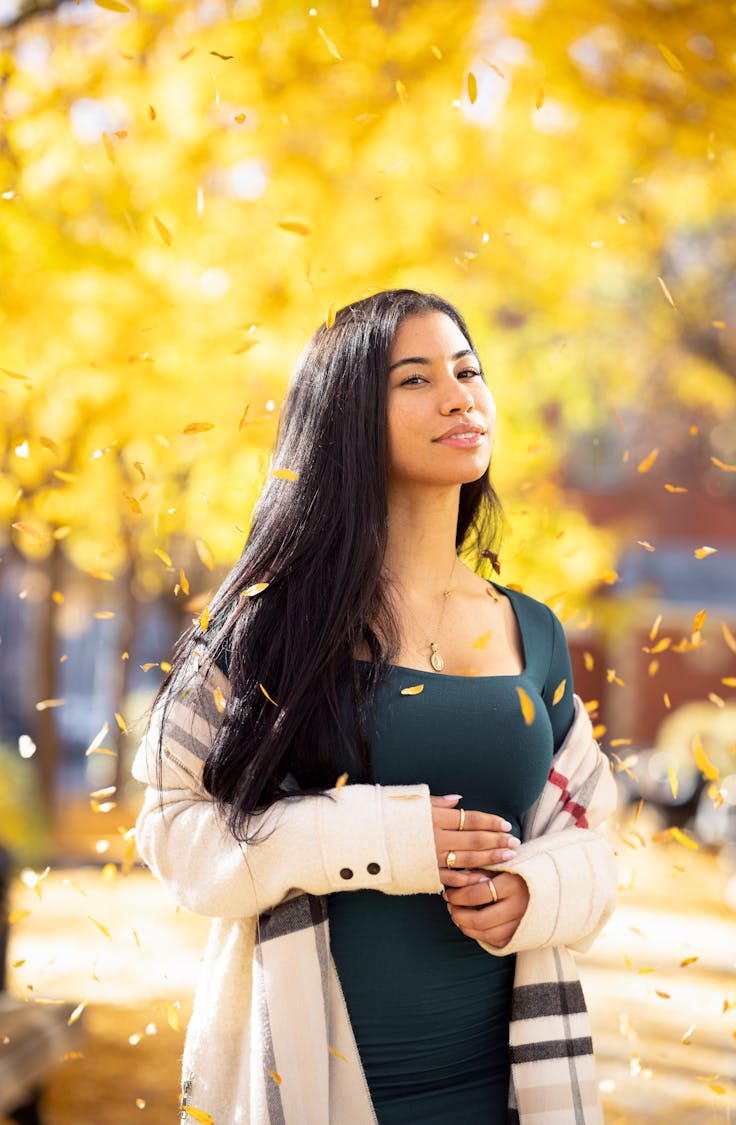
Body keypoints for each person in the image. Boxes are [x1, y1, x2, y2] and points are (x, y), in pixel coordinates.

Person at [133, 289, 618, 1125]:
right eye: (416, 379)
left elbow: (595, 843)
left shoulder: (533, 632)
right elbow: (175, 830)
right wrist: (375, 840)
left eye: (468, 371)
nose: (460, 396)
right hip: (314, 1093)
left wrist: (535, 891)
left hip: (502, 1097)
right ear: (350, 415)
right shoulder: (271, 626)